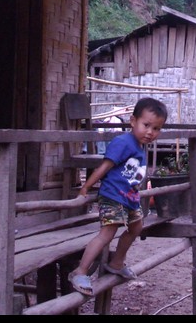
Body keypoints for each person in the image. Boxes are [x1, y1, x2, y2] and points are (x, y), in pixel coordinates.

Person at [68, 97, 168, 296]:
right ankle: (80, 271)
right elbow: (105, 166)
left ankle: (116, 262)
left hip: (129, 198)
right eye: (146, 125)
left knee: (137, 227)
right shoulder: (123, 142)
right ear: (133, 121)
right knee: (107, 233)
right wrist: (86, 187)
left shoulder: (139, 146)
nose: (150, 132)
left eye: (156, 128)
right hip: (112, 196)